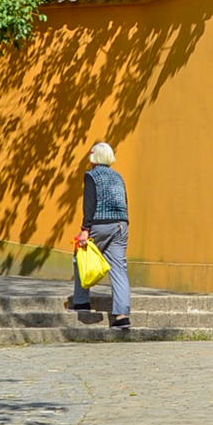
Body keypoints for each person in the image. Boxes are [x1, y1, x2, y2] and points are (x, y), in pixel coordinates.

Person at [66, 141, 131, 330]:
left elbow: (90, 203)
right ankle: (122, 317)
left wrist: (85, 229)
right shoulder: (118, 177)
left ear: (94, 157)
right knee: (119, 269)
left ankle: (81, 302)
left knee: (81, 256)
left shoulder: (91, 176)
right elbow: (124, 201)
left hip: (100, 224)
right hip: (121, 224)